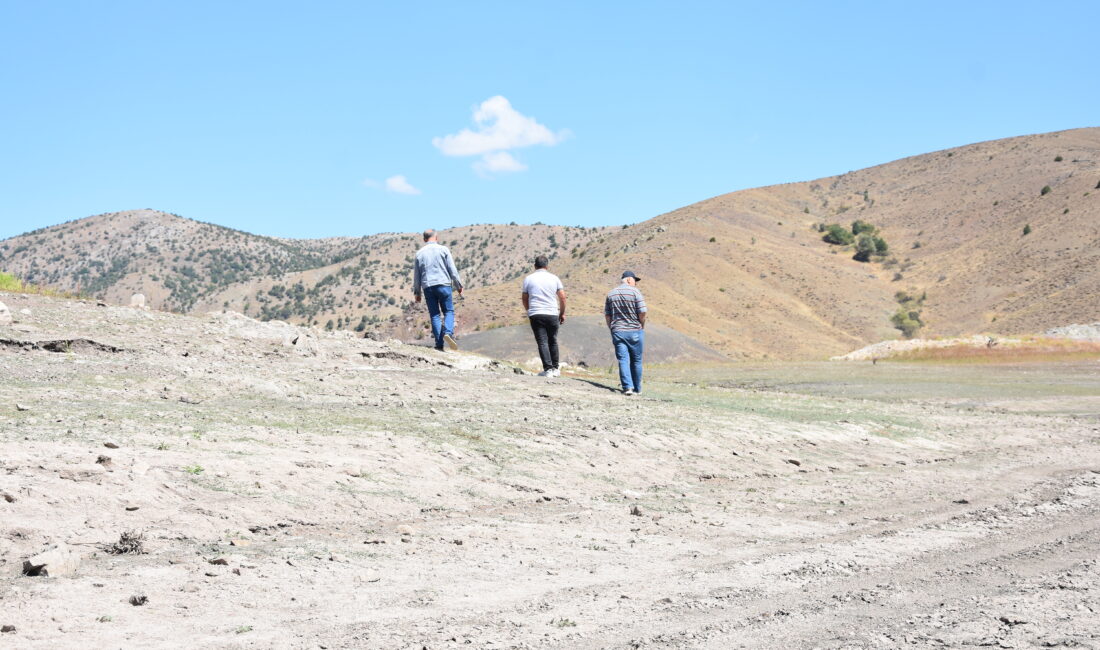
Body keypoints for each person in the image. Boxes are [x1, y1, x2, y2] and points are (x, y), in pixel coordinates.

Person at [412, 229, 463, 351]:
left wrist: (417, 293)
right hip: (443, 284)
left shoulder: (419, 254)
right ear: (436, 237)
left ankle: (439, 344)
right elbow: (452, 270)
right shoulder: (443, 250)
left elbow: (416, 276)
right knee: (449, 311)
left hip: (428, 287)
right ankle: (448, 333)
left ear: (424, 239)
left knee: (435, 315)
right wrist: (459, 286)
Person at [521, 255, 566, 377]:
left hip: (536, 313)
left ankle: (548, 369)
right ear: (547, 266)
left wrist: (529, 310)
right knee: (553, 340)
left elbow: (525, 297)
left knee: (542, 342)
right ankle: (556, 368)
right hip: (552, 313)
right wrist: (562, 313)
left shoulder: (528, 279)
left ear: (535, 266)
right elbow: (562, 297)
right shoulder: (554, 278)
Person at [605, 270, 646, 394]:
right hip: (635, 330)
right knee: (637, 360)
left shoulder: (611, 293)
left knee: (623, 359)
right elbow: (643, 311)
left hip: (618, 331)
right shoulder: (635, 292)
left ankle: (627, 387)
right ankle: (637, 389)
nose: (636, 284)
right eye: (635, 280)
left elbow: (608, 315)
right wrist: (641, 325)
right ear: (629, 280)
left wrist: (612, 328)